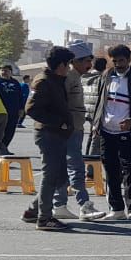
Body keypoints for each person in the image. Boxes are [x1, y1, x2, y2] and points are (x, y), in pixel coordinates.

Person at [87, 44, 131, 220]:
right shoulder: (106, 76)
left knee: (130, 170)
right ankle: (116, 209)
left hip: (129, 133)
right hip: (106, 131)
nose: (118, 64)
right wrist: (96, 124)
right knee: (110, 169)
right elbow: (100, 101)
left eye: (121, 61)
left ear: (129, 60)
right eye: (115, 61)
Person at [23, 47, 76, 231]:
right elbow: (31, 109)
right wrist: (58, 122)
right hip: (48, 134)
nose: (69, 68)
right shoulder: (43, 81)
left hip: (57, 135)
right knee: (50, 176)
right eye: (68, 64)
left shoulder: (56, 80)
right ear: (61, 65)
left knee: (59, 177)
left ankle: (32, 211)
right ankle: (44, 218)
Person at [0, 66, 23, 153]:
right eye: (2, 70)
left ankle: (3, 148)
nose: (3, 72)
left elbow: (20, 96)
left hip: (13, 111)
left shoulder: (15, 83)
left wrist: (21, 109)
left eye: (6, 71)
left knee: (10, 131)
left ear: (11, 72)